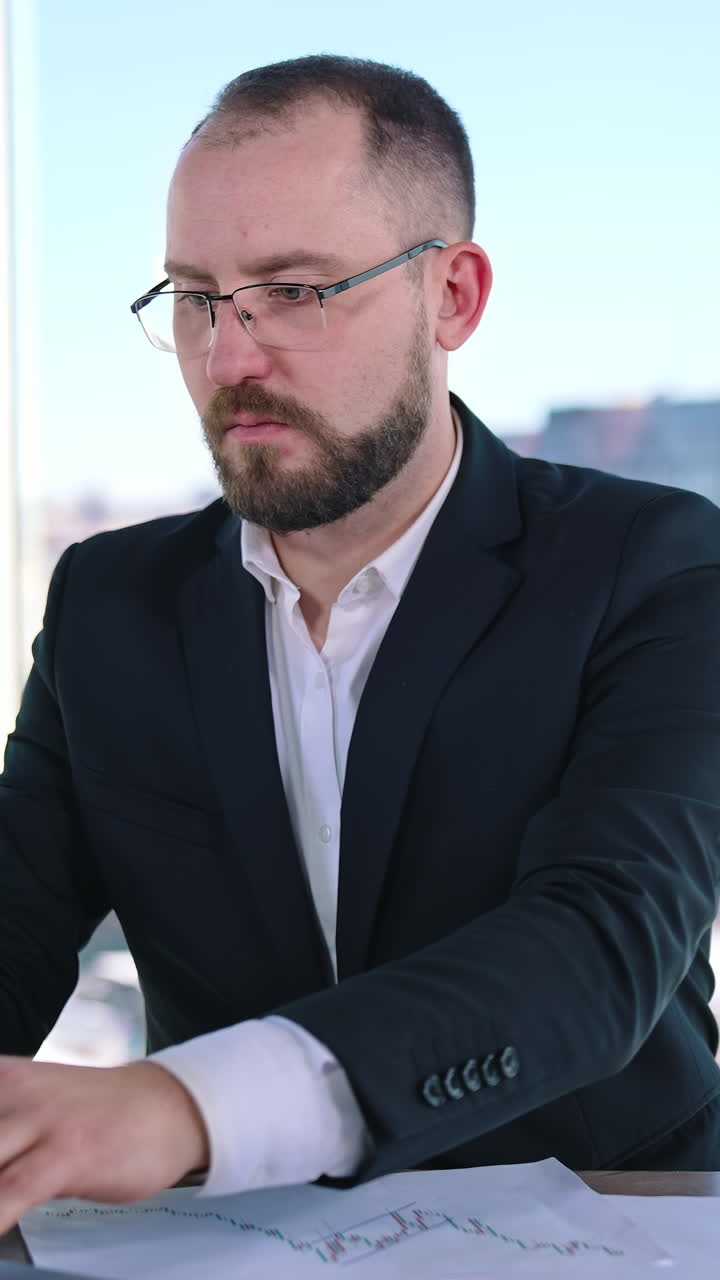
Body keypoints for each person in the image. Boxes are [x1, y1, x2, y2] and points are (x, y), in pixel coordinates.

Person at [1, 53, 719, 1231]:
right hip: (220, 1244)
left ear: (454, 296)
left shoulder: (657, 566)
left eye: (294, 290)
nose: (230, 358)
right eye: (196, 296)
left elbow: (601, 943)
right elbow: (17, 912)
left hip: (614, 1223)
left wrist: (185, 1104)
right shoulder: (106, 600)